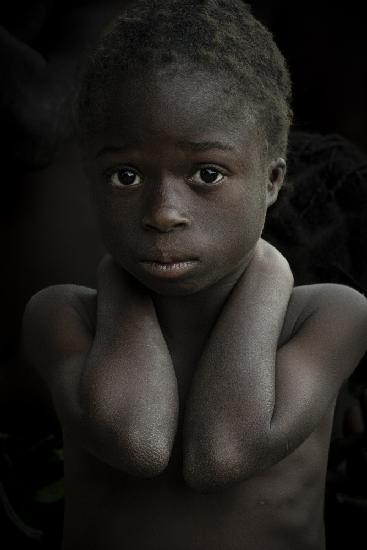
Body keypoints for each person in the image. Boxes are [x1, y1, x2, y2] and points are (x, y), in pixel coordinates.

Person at [21, 1, 367, 548]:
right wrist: (120, 278)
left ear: (272, 180)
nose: (162, 212)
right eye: (125, 175)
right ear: (91, 178)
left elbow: (222, 453)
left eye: (207, 173)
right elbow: (138, 438)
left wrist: (266, 265)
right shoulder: (61, 316)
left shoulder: (328, 315)